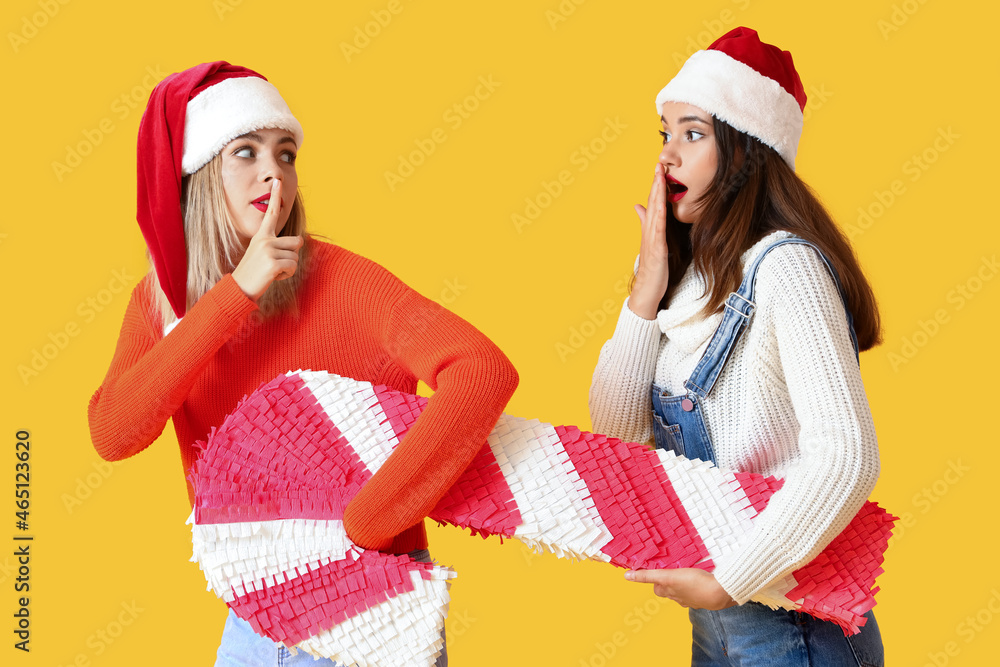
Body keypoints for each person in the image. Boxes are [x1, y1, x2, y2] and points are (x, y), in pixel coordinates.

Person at [87, 61, 518, 666]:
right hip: (257, 615)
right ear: (201, 174)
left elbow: (482, 371)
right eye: (246, 151)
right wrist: (237, 293)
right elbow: (114, 434)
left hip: (370, 610)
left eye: (285, 153)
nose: (273, 172)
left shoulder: (342, 279)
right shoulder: (161, 300)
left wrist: (370, 522)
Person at [588, 28, 885, 666]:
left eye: (693, 133)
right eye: (664, 133)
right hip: (720, 622)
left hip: (795, 624)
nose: (668, 155)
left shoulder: (787, 269)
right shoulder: (692, 282)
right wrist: (646, 290)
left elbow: (848, 458)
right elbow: (618, 436)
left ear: (748, 151)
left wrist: (730, 580)